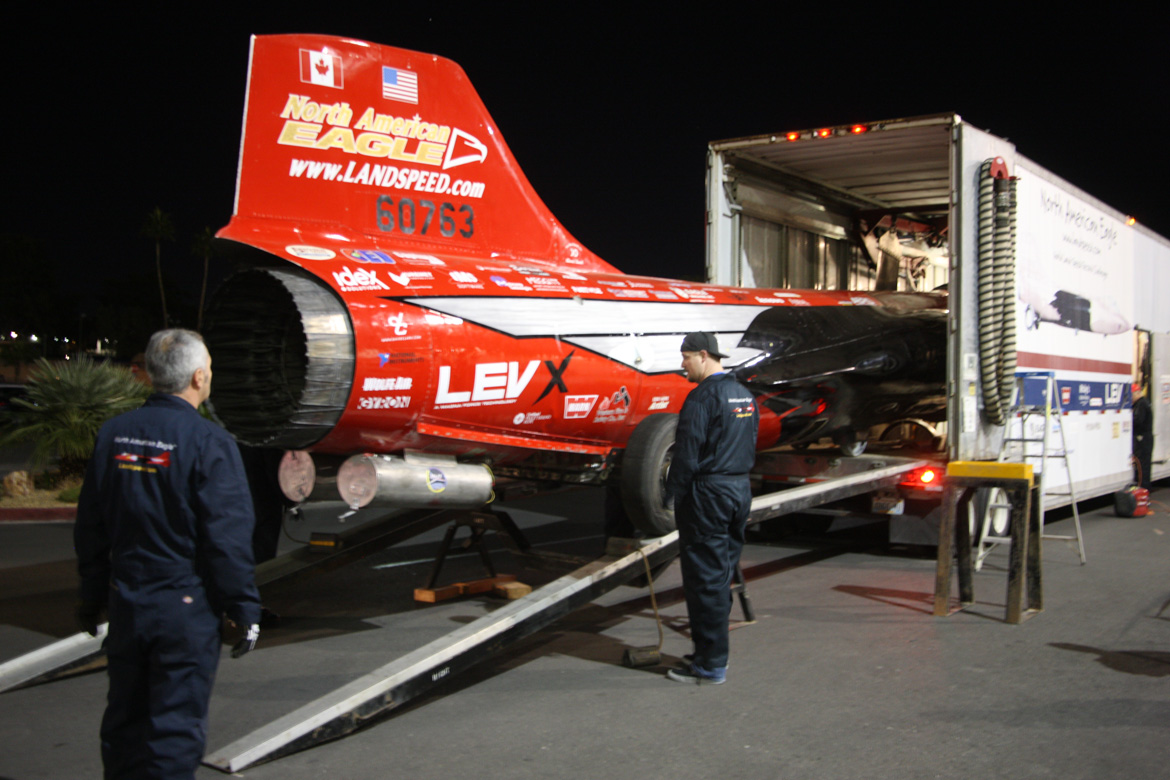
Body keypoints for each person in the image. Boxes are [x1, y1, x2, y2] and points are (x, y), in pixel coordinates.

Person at [75, 329, 261, 779]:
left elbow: (92, 527)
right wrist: (243, 608)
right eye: (211, 368)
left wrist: (92, 596)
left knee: (124, 725)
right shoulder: (210, 443)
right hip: (183, 607)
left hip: (127, 601)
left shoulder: (115, 434)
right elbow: (227, 539)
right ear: (199, 377)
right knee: (173, 730)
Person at [664, 332, 758, 685]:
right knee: (721, 575)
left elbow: (687, 454)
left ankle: (709, 664)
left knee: (705, 579)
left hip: (709, 493)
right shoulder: (745, 395)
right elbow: (750, 441)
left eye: (685, 357)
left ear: (703, 355)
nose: (682, 364)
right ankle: (712, 654)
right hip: (738, 489)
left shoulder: (702, 397)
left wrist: (669, 497)